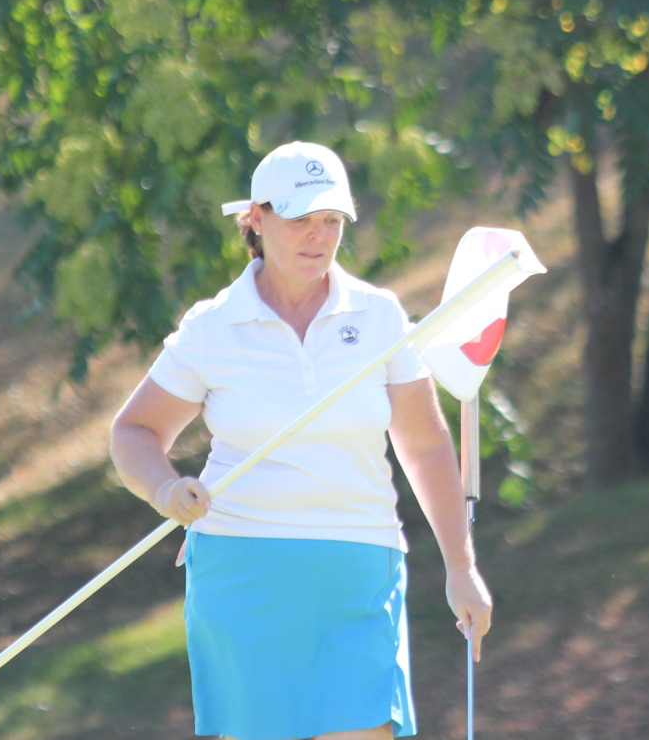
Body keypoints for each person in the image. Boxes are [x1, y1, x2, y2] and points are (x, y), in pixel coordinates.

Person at [109, 140, 493, 740]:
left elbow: (424, 446)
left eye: (332, 220)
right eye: (300, 218)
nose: (318, 235)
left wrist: (460, 567)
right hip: (244, 569)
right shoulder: (213, 327)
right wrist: (164, 488)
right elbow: (134, 432)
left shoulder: (380, 317)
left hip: (358, 566)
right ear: (256, 219)